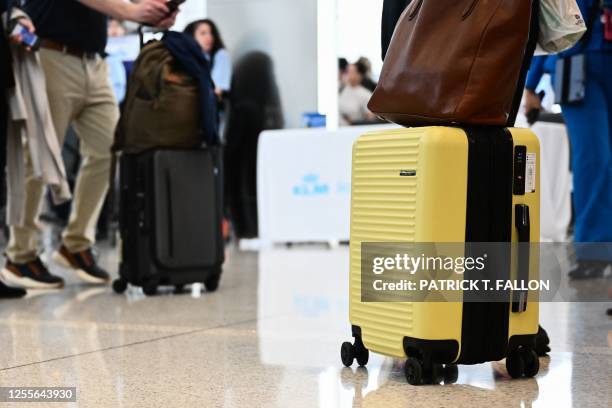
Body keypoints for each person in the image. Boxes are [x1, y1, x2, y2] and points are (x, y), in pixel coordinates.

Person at [0, 0, 177, 291]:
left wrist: (151, 11)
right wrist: (130, 11)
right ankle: (20, 255)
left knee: (110, 148)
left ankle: (76, 243)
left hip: (95, 62)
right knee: (38, 155)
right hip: (50, 54)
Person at [525, 0, 612, 279]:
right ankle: (594, 252)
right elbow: (549, 18)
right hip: (578, 66)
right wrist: (530, 85)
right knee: (594, 159)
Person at [184, 19, 231, 101]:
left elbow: (217, 91)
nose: (209, 37)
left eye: (211, 33)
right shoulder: (187, 58)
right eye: (203, 33)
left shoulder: (221, 55)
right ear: (190, 37)